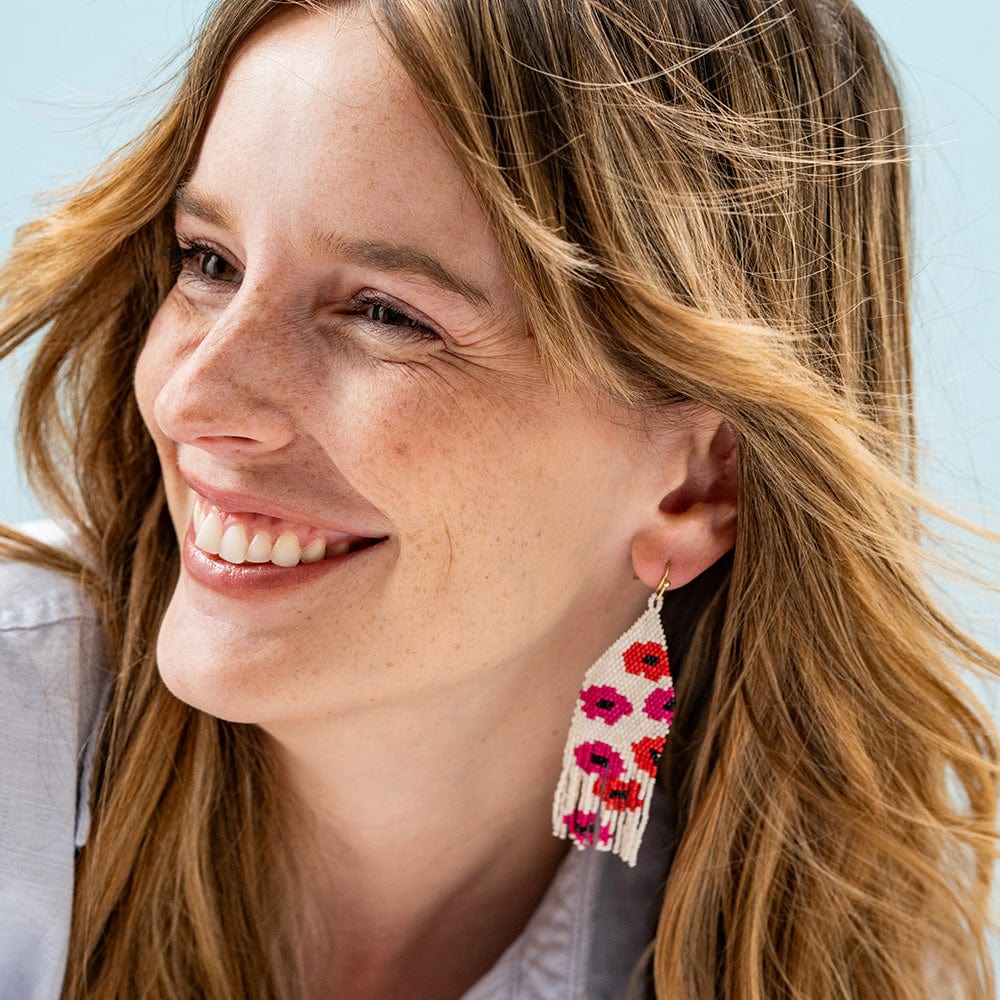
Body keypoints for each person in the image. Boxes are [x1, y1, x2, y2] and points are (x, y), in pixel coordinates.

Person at [0, 0, 996, 997]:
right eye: (209, 262)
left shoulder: (798, 935)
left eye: (387, 314)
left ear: (698, 487)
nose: (191, 397)